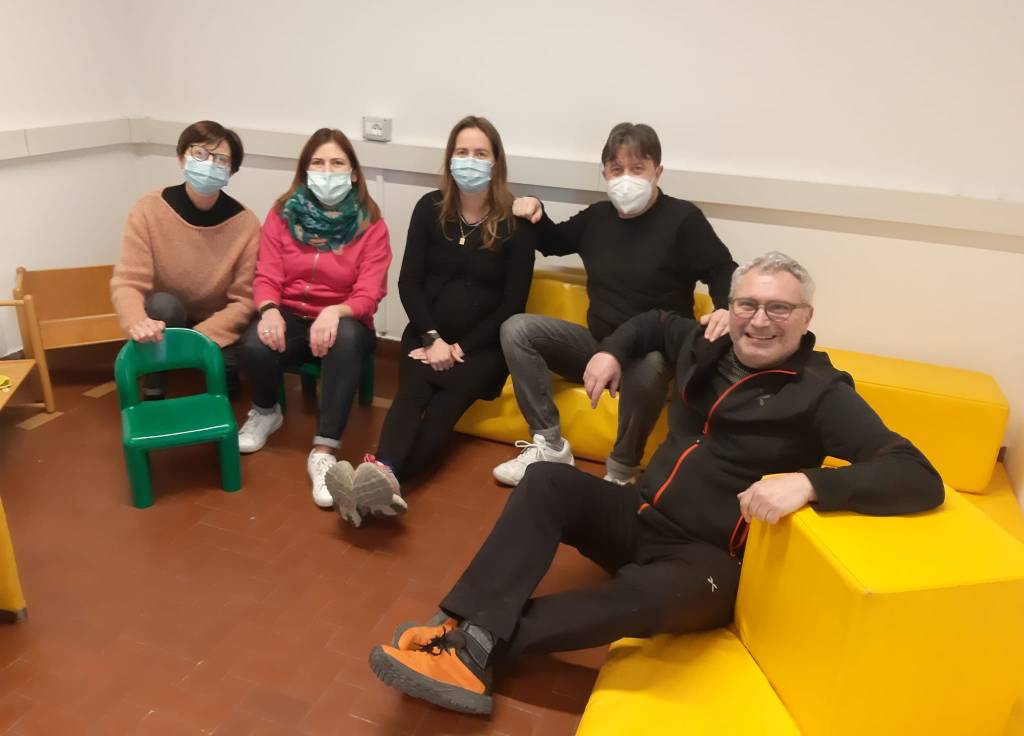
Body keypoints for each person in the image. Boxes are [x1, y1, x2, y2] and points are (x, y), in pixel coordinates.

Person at [368, 251, 944, 716]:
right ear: (730, 307)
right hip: (639, 513)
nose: (759, 320)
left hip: (706, 561)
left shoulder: (821, 393)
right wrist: (611, 354)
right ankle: (468, 628)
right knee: (546, 479)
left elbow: (917, 475)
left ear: (806, 316)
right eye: (747, 304)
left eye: (778, 308)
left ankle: (470, 640)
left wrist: (810, 483)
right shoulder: (707, 341)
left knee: (645, 597)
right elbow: (651, 323)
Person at [492, 122, 737, 487]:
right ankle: (549, 443)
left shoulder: (683, 219)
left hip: (652, 352)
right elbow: (553, 241)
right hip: (597, 345)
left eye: (637, 169)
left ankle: (621, 470)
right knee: (517, 329)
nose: (626, 178)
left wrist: (725, 308)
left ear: (657, 172)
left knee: (651, 366)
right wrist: (532, 208)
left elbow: (721, 268)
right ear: (605, 173)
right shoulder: (597, 217)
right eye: (617, 169)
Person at [325, 116, 535, 527]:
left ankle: (381, 477)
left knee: (442, 409)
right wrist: (433, 338)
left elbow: (513, 304)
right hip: (426, 335)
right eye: (462, 152)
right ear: (449, 159)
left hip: (482, 349)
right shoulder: (429, 208)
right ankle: (384, 478)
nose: (469, 161)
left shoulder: (516, 223)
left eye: (480, 153)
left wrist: (459, 348)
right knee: (411, 394)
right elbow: (409, 282)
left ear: (496, 162)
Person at [236, 128, 391, 508]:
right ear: (305, 170)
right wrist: (269, 309)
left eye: (337, 163)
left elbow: (369, 293)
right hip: (290, 313)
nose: (327, 171)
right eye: (318, 163)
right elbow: (267, 274)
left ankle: (324, 449)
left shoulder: (371, 224)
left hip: (345, 320)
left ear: (353, 172)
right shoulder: (282, 214)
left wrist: (335, 312)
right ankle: (266, 411)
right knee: (253, 344)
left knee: (348, 340)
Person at [110, 120, 260, 398]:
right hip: (164, 317)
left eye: (221, 159)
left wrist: (199, 338)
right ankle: (154, 386)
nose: (209, 164)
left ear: (232, 170)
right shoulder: (147, 209)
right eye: (200, 153)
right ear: (182, 158)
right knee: (163, 305)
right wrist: (137, 321)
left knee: (228, 372)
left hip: (216, 320)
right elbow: (128, 281)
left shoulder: (246, 224)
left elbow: (245, 299)